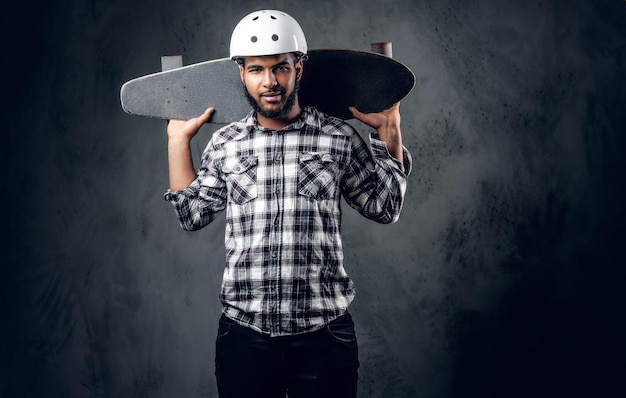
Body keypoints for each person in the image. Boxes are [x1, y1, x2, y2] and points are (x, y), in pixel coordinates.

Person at [164, 9, 412, 398]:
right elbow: (191, 215)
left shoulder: (337, 137)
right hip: (245, 336)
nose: (270, 82)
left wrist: (392, 132)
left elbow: (384, 207)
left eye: (280, 68)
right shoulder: (226, 143)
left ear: (299, 67)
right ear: (241, 74)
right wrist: (177, 141)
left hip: (324, 335)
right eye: (256, 70)